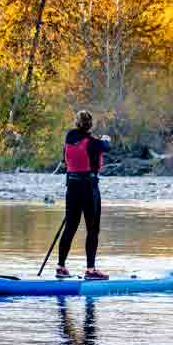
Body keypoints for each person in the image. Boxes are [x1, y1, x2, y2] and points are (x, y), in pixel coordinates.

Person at [56, 110, 111, 280]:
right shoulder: (95, 143)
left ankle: (61, 267)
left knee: (70, 228)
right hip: (89, 189)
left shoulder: (68, 138)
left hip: (72, 188)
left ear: (76, 123)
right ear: (90, 125)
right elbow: (106, 146)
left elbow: (65, 160)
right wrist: (106, 139)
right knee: (92, 229)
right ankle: (90, 270)